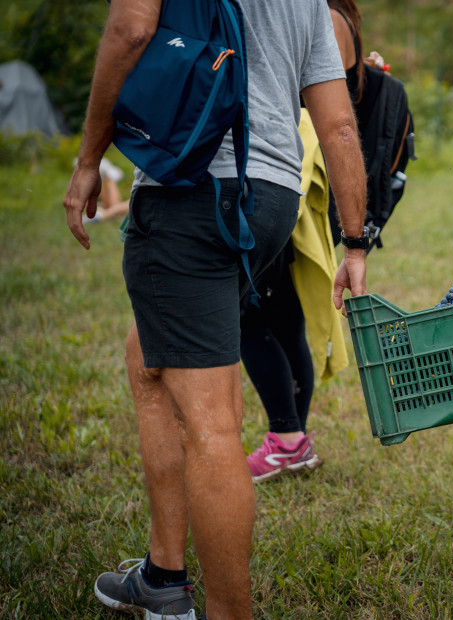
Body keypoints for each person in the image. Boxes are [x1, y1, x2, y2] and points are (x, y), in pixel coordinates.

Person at [61, 1, 368, 618]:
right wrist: (356, 239)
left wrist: (90, 157)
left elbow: (130, 28)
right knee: (149, 359)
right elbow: (336, 124)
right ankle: (162, 573)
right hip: (272, 197)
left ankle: (219, 608)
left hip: (197, 186)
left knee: (208, 423)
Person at [241, 0, 386, 483]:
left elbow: (330, 114)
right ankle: (291, 439)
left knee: (249, 313)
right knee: (283, 314)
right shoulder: (329, 15)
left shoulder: (318, 16)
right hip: (304, 180)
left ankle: (288, 436)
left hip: (297, 180)